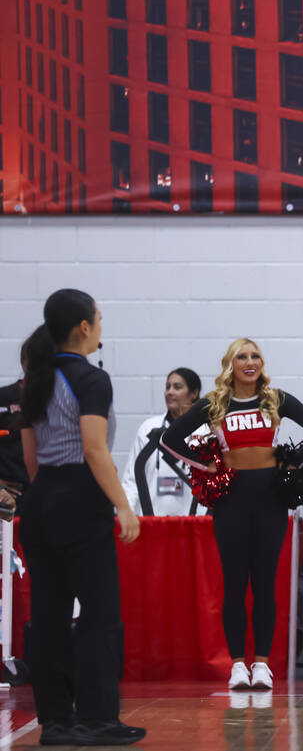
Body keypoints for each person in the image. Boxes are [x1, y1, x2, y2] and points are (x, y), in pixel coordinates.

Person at [160, 338, 303, 690]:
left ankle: (262, 664)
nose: (250, 361)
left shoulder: (275, 399)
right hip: (231, 500)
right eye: (242, 356)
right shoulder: (214, 403)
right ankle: (238, 664)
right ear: (231, 364)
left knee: (265, 582)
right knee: (235, 583)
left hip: (270, 498)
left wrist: (293, 464)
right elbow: (171, 439)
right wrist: (205, 464)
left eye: (256, 356)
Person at [18, 289, 145, 746]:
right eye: (99, 318)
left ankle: (56, 722)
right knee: (99, 614)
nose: (101, 326)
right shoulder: (90, 379)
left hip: (41, 500)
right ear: (85, 327)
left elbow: (30, 457)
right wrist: (123, 506)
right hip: (79, 498)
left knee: (48, 614)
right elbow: (94, 449)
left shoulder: (33, 378)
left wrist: (47, 499)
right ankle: (97, 718)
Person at [121, 368, 205, 516]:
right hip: (152, 524)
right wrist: (127, 513)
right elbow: (131, 480)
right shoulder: (149, 428)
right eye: (167, 387)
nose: (169, 392)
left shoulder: (204, 432)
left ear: (194, 393)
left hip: (193, 526)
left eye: (177, 387)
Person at [0, 337, 31, 491]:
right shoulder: (3, 397)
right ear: (24, 363)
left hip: (48, 495)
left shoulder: (59, 400)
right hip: (8, 497)